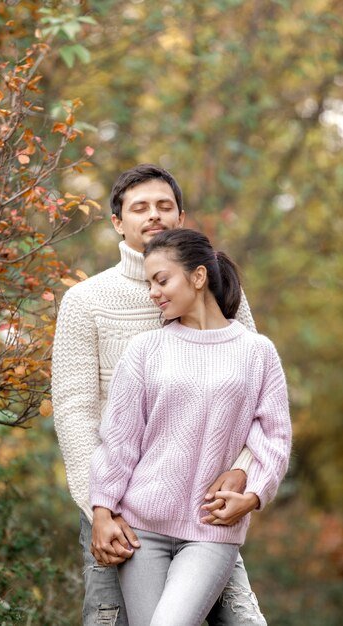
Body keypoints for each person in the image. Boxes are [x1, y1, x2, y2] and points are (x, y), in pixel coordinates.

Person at [52, 165, 267, 625]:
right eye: (140, 207)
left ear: (181, 216)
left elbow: (256, 398)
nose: (154, 215)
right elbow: (74, 412)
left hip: (206, 513)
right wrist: (99, 508)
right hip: (122, 514)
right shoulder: (85, 301)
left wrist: (242, 473)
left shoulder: (220, 289)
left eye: (164, 206)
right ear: (117, 222)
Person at [90, 228, 292, 626]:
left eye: (161, 280)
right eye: (149, 283)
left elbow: (274, 437)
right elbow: (120, 440)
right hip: (140, 530)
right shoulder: (145, 349)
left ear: (198, 277)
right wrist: (101, 511)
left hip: (211, 531)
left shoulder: (257, 352)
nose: (153, 292)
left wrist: (253, 496)